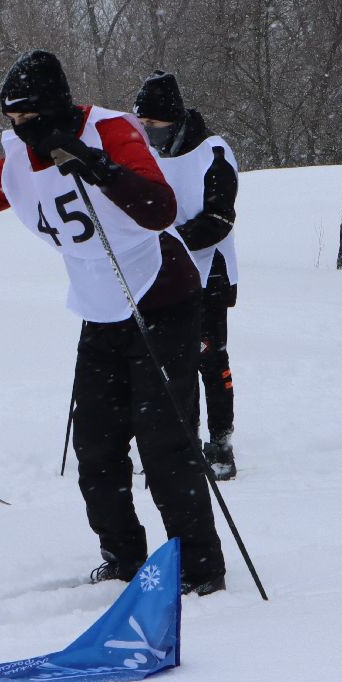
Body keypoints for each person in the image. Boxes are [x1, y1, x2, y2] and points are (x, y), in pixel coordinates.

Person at [0, 49, 226, 594]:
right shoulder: (20, 154)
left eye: (29, 117)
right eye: (11, 118)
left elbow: (158, 210)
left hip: (162, 297)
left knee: (165, 446)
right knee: (96, 446)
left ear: (56, 109)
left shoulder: (110, 130)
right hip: (101, 307)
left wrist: (96, 166)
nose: (20, 128)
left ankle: (200, 569)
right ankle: (123, 559)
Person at [133, 71, 240, 481]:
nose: (148, 133)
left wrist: (171, 240)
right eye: (142, 125)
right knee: (169, 360)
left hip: (208, 273)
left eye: (154, 126)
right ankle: (183, 440)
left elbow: (218, 219)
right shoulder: (148, 155)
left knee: (208, 358)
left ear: (174, 121)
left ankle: (220, 442)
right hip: (161, 276)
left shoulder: (212, 153)